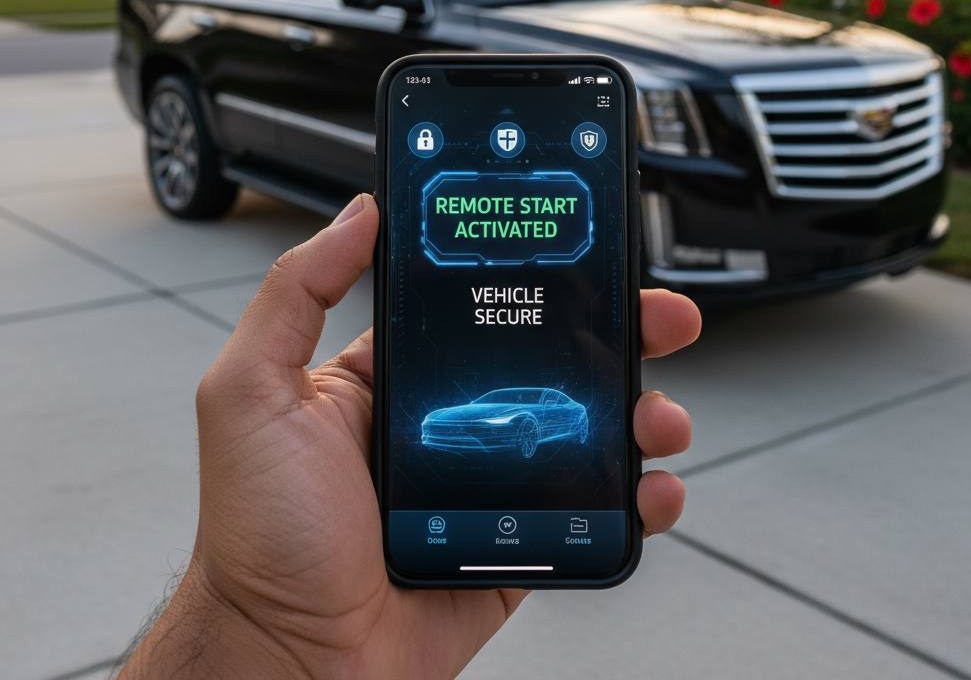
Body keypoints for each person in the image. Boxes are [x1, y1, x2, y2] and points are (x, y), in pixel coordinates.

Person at [115, 193, 699, 680]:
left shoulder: (551, 406)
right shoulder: (474, 406)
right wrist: (261, 626)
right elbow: (461, 416)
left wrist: (261, 635)